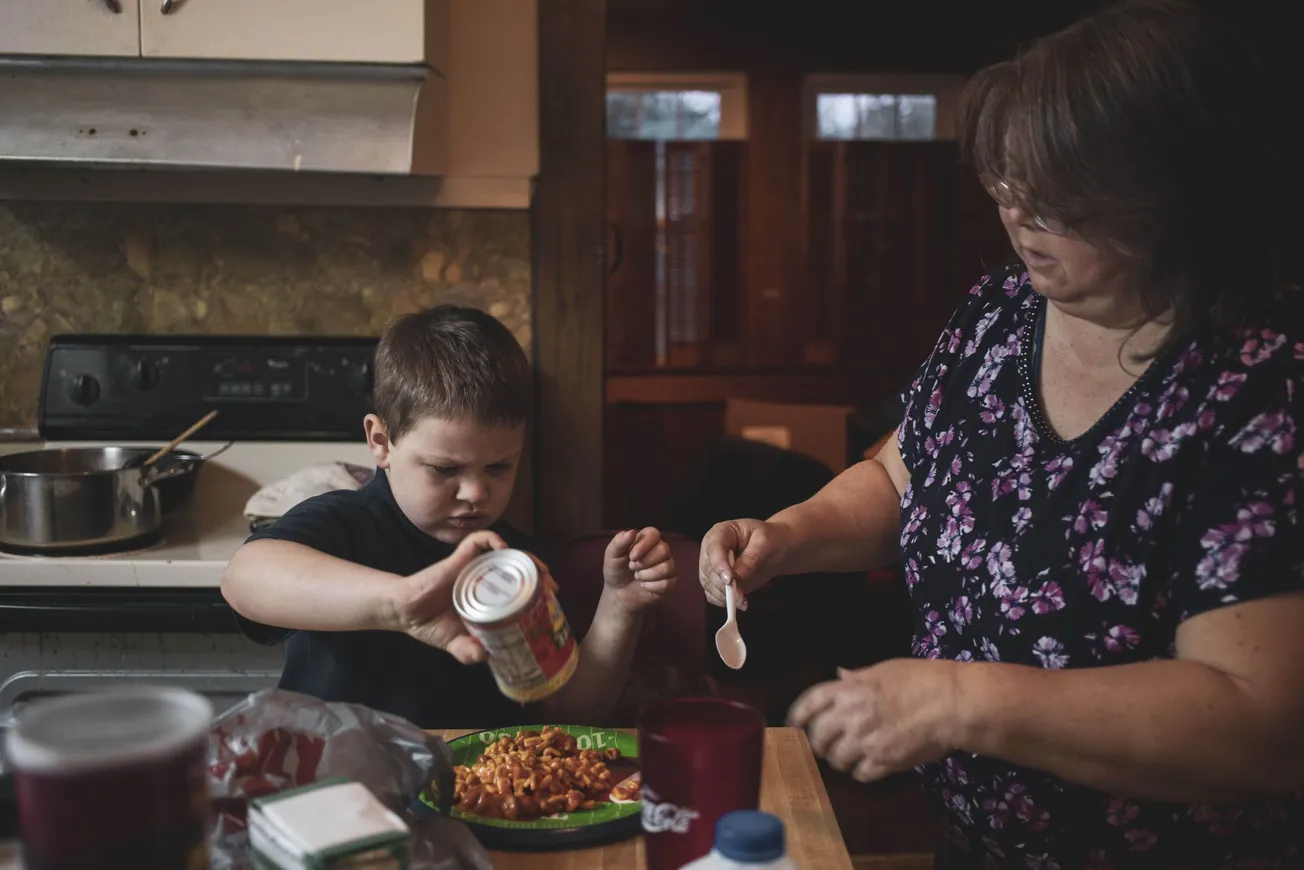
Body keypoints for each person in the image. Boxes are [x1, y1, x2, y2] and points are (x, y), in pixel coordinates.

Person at [698, 1, 1303, 866]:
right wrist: (789, 536)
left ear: (1171, 192)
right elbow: (901, 476)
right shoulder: (1001, 313)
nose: (1016, 215)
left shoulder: (1263, 377)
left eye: (1053, 198)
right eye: (1008, 184)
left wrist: (959, 702)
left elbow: (1258, 721)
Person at [223, 305, 677, 729]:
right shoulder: (342, 524)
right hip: (339, 793)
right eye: (444, 469)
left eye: (500, 467)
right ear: (380, 441)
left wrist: (621, 604)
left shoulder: (515, 563)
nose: (476, 493)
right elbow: (243, 579)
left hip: (471, 794)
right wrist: (399, 603)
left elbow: (570, 711)